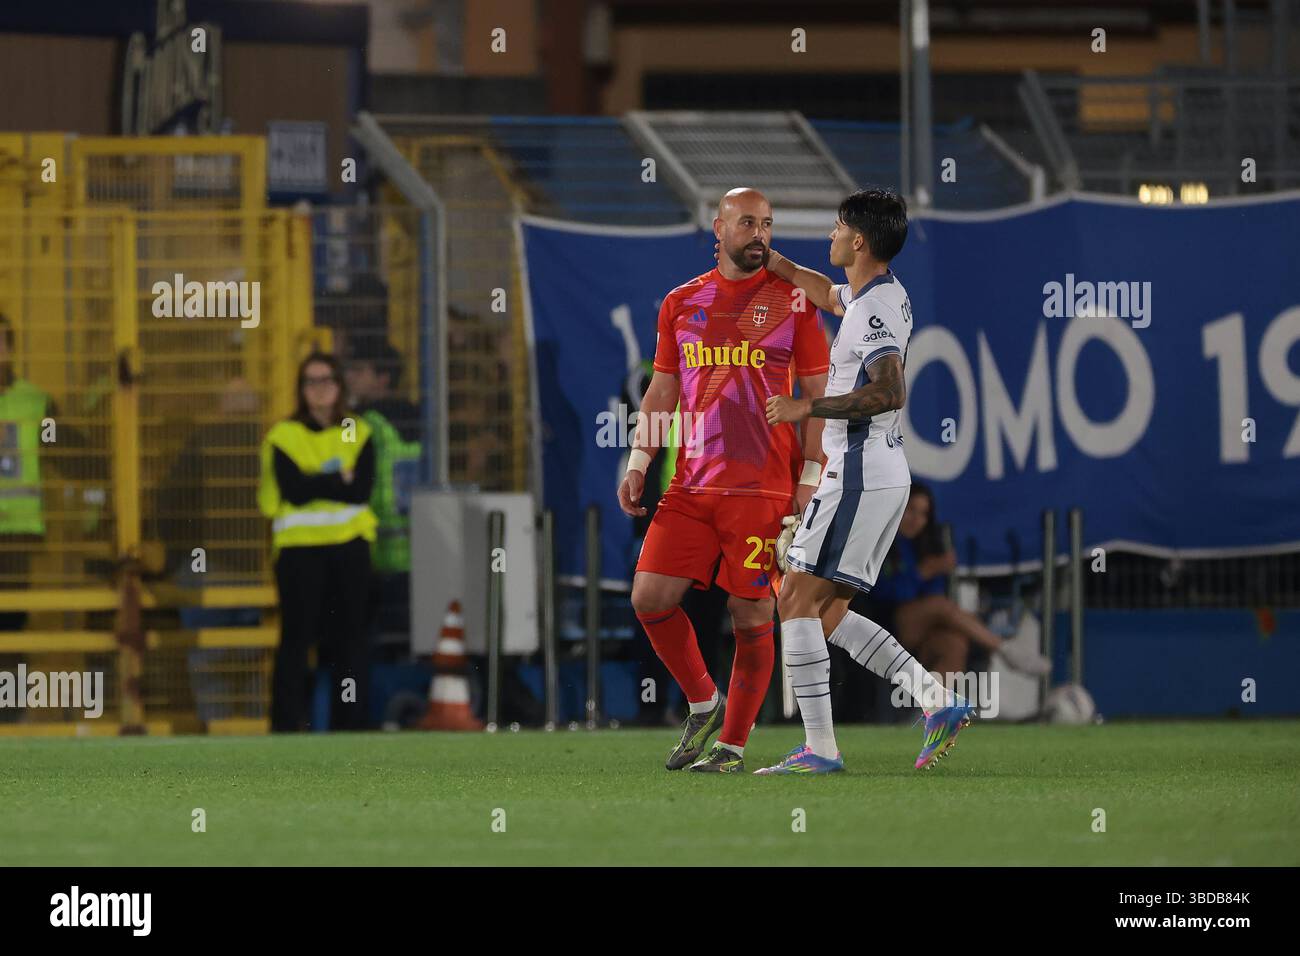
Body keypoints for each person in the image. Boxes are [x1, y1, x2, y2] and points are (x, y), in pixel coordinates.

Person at [758, 187, 974, 775]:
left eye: (835, 227)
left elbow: (890, 389)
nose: (828, 235)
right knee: (824, 614)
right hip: (879, 476)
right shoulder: (880, 294)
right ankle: (937, 701)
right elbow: (830, 294)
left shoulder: (875, 309)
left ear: (858, 239)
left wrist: (810, 409)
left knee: (794, 599)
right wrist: (778, 266)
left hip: (857, 475)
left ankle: (821, 750)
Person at [618, 187, 829, 773]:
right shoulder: (681, 302)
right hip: (692, 484)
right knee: (649, 597)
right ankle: (703, 698)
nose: (758, 234)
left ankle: (732, 746)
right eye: (746, 223)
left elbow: (817, 398)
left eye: (766, 224)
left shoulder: (794, 303)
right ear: (718, 229)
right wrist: (639, 462)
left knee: (751, 615)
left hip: (763, 488)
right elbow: (662, 390)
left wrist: (808, 483)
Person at [258, 352, 377, 732]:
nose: (319, 389)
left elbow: (359, 490)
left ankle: (350, 725)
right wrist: (335, 479)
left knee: (350, 642)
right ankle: (287, 726)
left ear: (339, 385)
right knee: (296, 641)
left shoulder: (353, 430)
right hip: (299, 551)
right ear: (300, 389)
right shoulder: (285, 434)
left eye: (326, 380)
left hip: (349, 549)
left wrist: (319, 483)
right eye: (311, 381)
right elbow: (293, 491)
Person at [871, 483, 1051, 681]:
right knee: (940, 606)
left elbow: (935, 594)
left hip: (924, 628)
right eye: (911, 510)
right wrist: (922, 573)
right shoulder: (880, 540)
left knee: (954, 643)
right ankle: (1005, 649)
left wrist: (931, 574)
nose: (916, 520)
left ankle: (933, 709)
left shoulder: (925, 546)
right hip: (886, 624)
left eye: (923, 514)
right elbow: (883, 593)